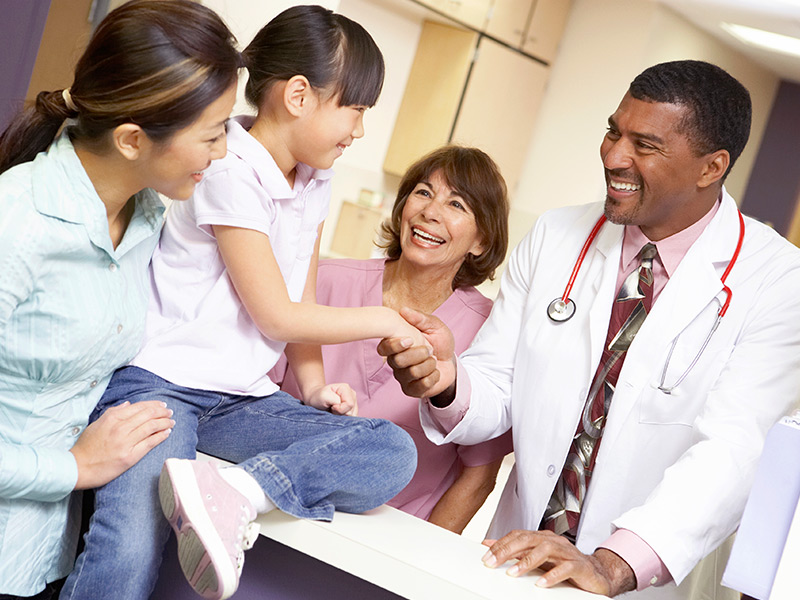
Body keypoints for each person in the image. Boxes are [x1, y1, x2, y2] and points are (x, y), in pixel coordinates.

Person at [378, 60, 800, 599]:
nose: (613, 156)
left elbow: (734, 452)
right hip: (517, 557)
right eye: (612, 131)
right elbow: (499, 385)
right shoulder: (557, 234)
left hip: (645, 582)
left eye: (643, 145)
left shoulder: (778, 282)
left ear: (710, 167)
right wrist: (448, 381)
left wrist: (612, 564)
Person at [61, 7, 419, 600]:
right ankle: (226, 495)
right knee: (129, 550)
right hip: (160, 384)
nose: (358, 129)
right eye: (354, 109)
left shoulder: (316, 177)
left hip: (240, 400)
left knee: (388, 450)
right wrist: (385, 319)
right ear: (299, 95)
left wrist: (311, 386)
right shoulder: (226, 165)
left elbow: (300, 294)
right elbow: (275, 313)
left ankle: (240, 494)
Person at [0, 2, 240, 598]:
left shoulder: (149, 217)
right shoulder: (19, 226)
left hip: (46, 554)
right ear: (133, 139)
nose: (224, 152)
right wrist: (74, 467)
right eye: (212, 134)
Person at [275, 145, 513, 533]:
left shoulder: (491, 332)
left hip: (384, 539)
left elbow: (477, 478)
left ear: (481, 242)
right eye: (423, 192)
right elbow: (254, 391)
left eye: (456, 204)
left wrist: (414, 567)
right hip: (276, 511)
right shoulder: (323, 281)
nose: (430, 212)